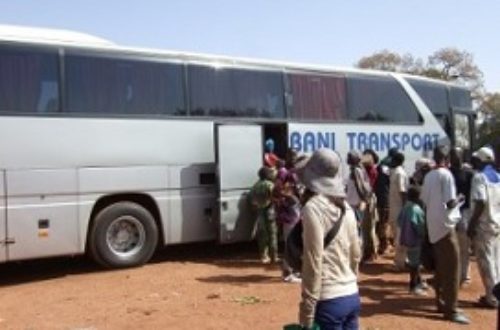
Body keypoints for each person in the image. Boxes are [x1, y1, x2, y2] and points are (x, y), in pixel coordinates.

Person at [297, 148, 361, 330]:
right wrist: (350, 282)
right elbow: (355, 253)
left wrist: (307, 311)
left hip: (328, 300)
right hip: (351, 295)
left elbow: (313, 259)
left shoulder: (313, 208)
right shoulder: (346, 207)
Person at [421, 146, 470, 324]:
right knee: (453, 269)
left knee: (442, 267)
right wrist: (461, 198)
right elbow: (450, 203)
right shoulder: (446, 175)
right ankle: (452, 309)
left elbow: (424, 200)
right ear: (447, 159)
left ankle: (441, 302)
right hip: (445, 225)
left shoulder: (429, 176)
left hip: (433, 225)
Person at [467, 146, 500, 309]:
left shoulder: (479, 177)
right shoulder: (498, 177)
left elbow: (480, 202)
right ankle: (495, 294)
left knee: (486, 263)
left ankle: (492, 298)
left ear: (480, 160)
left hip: (483, 225)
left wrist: (472, 224)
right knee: (496, 261)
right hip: (496, 224)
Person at [449, 147, 474, 286]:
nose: (454, 158)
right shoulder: (447, 174)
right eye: (452, 155)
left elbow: (471, 197)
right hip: (450, 213)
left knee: (464, 246)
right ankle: (455, 274)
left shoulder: (469, 174)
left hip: (464, 213)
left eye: (457, 155)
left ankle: (465, 275)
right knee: (452, 247)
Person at [346, 151, 377, 262]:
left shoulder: (356, 171)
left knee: (358, 231)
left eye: (349, 157)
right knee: (357, 230)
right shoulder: (357, 170)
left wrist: (363, 200)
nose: (347, 159)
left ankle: (358, 255)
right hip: (354, 203)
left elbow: (361, 188)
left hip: (356, 204)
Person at [273, 166, 302, 283]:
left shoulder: (286, 192)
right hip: (290, 222)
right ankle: (288, 273)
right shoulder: (287, 193)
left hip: (292, 221)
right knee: (290, 247)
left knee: (294, 247)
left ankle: (293, 271)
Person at [398, 186, 427, 296]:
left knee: (415, 262)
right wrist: (424, 235)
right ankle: (413, 286)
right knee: (415, 264)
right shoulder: (416, 209)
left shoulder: (406, 207)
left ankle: (419, 282)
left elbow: (399, 221)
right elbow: (419, 226)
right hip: (416, 240)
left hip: (406, 239)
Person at [250, 166, 278, 264]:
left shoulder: (255, 185)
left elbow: (252, 201)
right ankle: (274, 256)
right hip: (270, 211)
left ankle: (263, 256)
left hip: (259, 212)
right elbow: (274, 197)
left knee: (262, 235)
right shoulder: (270, 185)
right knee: (272, 234)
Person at [375, 148, 398, 255]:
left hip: (379, 197)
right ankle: (384, 246)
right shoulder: (390, 166)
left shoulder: (382, 164)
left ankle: (383, 244)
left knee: (382, 222)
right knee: (384, 222)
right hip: (386, 198)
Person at [388, 152, 409, 271]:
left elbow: (402, 192)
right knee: (397, 234)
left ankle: (399, 263)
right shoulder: (395, 171)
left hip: (399, 209)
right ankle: (403, 259)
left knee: (399, 236)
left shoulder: (399, 173)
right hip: (394, 207)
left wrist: (405, 208)